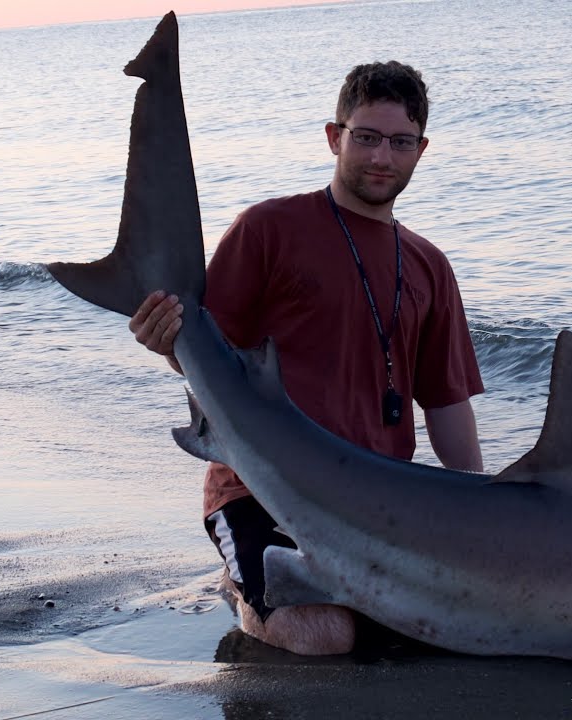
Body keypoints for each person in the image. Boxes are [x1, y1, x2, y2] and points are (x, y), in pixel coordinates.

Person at [127, 61, 485, 655]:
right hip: (261, 488)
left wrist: (480, 507)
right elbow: (207, 360)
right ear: (334, 137)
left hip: (382, 501)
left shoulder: (429, 265)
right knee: (324, 638)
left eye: (399, 143)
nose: (380, 158)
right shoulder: (270, 229)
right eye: (365, 137)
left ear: (421, 150)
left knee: (447, 633)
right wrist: (169, 341)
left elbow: (446, 402)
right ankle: (242, 590)